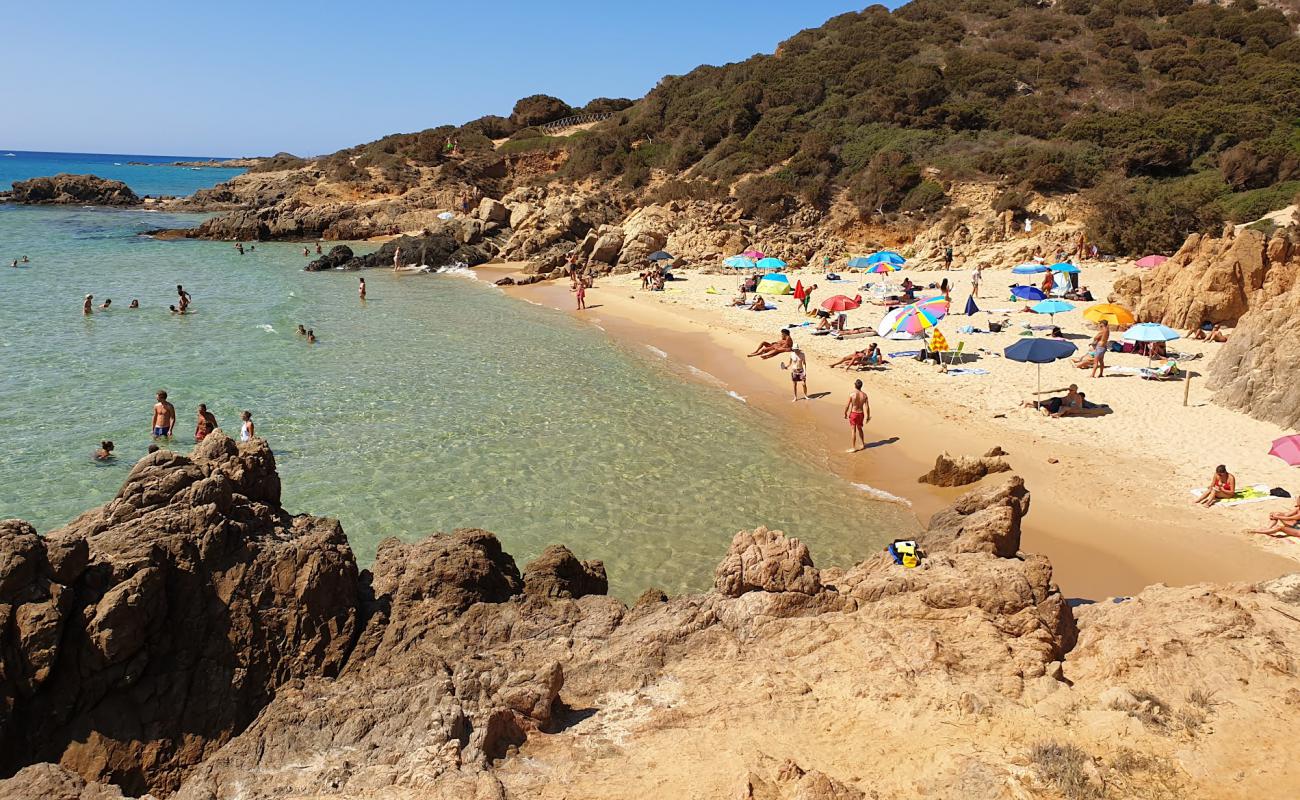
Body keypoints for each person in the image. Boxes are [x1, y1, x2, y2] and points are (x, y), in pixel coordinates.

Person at [844, 379, 870, 452]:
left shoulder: (852, 394)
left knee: (853, 430)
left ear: (855, 385)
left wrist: (845, 413)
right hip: (861, 414)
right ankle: (863, 444)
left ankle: (853, 447)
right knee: (860, 428)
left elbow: (847, 405)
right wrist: (867, 417)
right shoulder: (864, 395)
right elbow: (867, 407)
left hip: (854, 413)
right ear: (861, 386)